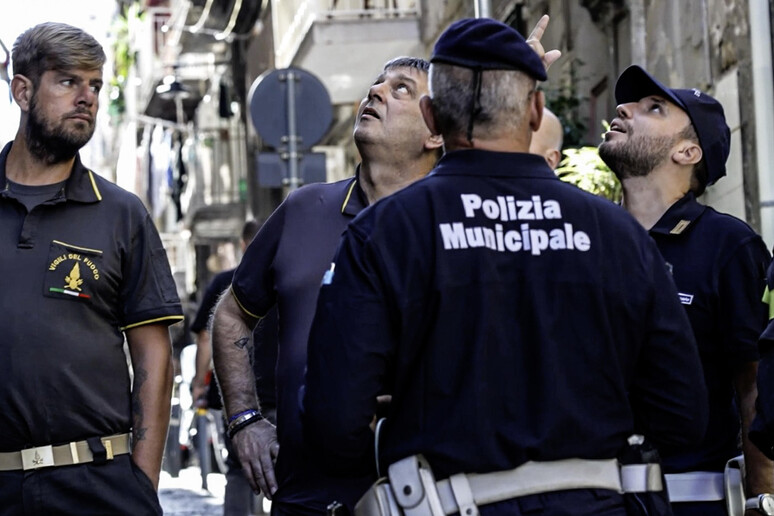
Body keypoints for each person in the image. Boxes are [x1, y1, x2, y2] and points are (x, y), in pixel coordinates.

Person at [302, 16, 708, 516]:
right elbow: (682, 413)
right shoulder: (617, 234)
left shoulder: (384, 232)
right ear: (536, 110)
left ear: (431, 116)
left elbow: (333, 419)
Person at [211, 56, 443, 515]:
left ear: (435, 131)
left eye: (400, 89)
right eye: (376, 83)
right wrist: (244, 420)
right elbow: (232, 312)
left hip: (426, 495)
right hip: (306, 498)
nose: (374, 92)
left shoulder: (449, 219)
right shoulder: (304, 208)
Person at [0, 22, 183, 514]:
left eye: (95, 85)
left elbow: (153, 356)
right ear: (22, 90)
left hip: (97, 487)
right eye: (67, 81)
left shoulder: (122, 213)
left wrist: (140, 487)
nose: (87, 97)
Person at [598, 65, 774, 516]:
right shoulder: (584, 238)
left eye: (653, 108)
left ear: (688, 151)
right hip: (585, 497)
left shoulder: (728, 246)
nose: (623, 109)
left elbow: (753, 384)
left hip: (691, 500)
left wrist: (761, 496)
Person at [190, 218, 278, 515]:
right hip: (284, 390)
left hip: (241, 392)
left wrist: (200, 381)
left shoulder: (225, 281)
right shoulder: (290, 274)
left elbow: (204, 337)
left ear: (243, 245)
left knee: (241, 469)